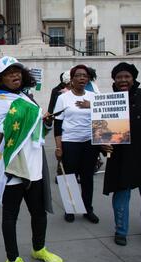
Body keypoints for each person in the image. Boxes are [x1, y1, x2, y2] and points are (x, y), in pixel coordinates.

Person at [0, 57, 62, 262]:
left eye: (17, 71)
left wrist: (46, 122)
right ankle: (13, 260)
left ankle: (38, 248)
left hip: (34, 164)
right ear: (0, 79)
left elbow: (36, 133)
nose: (15, 75)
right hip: (13, 167)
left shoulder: (26, 97)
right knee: (10, 215)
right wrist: (36, 114)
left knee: (38, 212)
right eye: (8, 73)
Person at [103, 62, 141, 247]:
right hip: (123, 156)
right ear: (114, 79)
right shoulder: (108, 100)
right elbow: (105, 133)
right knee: (122, 196)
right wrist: (103, 145)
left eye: (126, 77)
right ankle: (121, 230)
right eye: (119, 77)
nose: (123, 80)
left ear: (133, 78)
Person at [54, 65, 100, 224]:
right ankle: (71, 208)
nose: (82, 78)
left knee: (87, 177)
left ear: (88, 79)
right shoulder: (63, 98)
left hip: (89, 142)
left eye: (85, 76)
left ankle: (88, 209)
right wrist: (58, 147)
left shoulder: (93, 96)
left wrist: (92, 105)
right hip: (69, 143)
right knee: (70, 177)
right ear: (71, 80)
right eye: (78, 76)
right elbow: (58, 124)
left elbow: (102, 118)